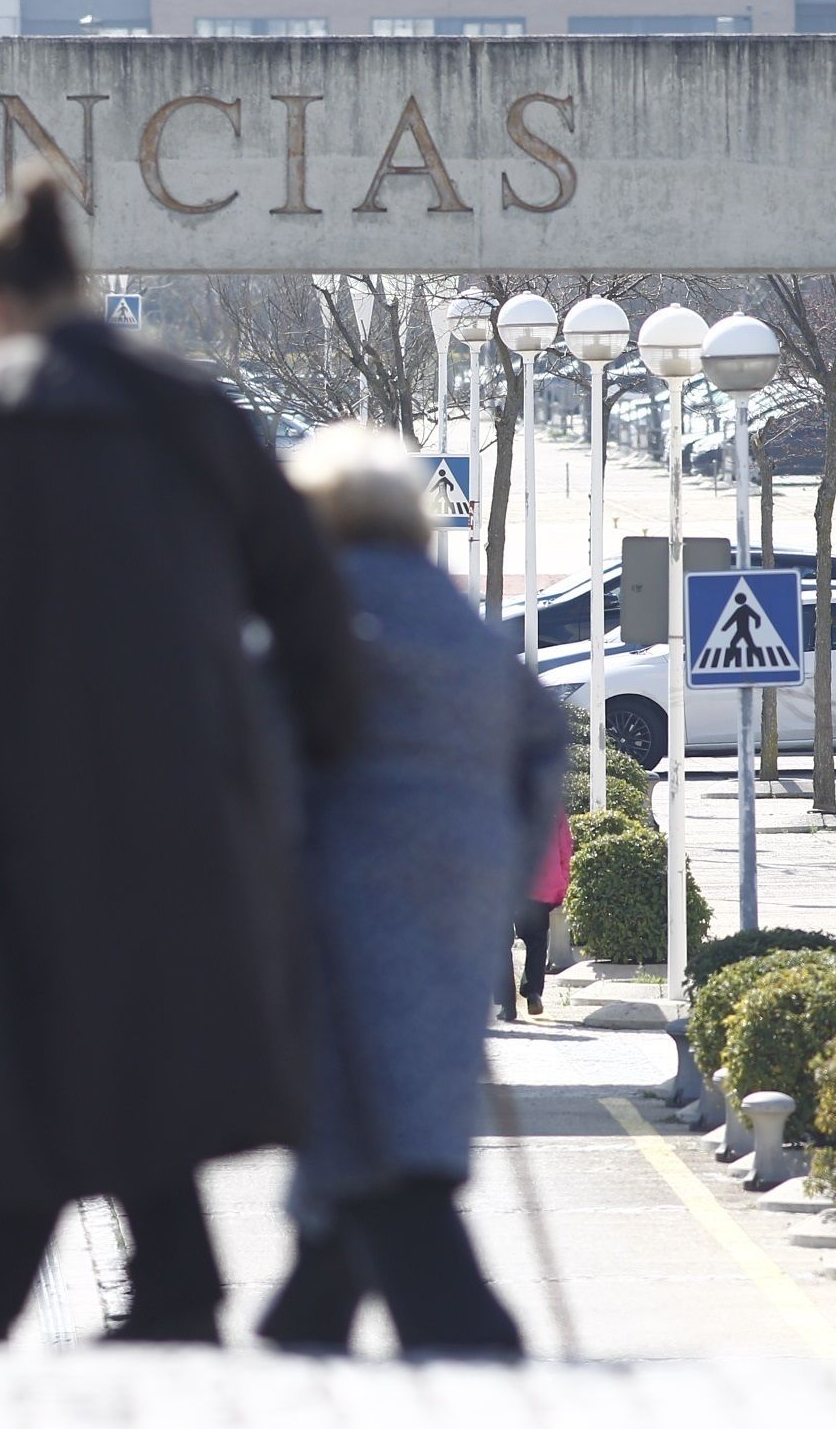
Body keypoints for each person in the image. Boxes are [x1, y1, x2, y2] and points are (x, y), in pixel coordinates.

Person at [0, 172, 361, 1344]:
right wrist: (322, 751)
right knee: (119, 1033)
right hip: (185, 798)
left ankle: (5, 1308)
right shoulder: (196, 417)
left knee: (38, 1033)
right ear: (80, 284)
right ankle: (155, 1288)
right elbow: (309, 601)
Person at [256, 422, 568, 1360]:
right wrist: (505, 872)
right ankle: (303, 1321)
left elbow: (264, 758)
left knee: (364, 1102)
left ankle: (470, 1333)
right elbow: (540, 747)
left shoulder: (315, 613)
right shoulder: (462, 622)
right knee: (396, 1087)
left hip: (346, 890)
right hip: (462, 891)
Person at [498, 815, 573, 1021]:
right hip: (540, 885)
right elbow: (565, 848)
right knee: (537, 942)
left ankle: (507, 1004)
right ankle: (533, 993)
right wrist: (562, 882)